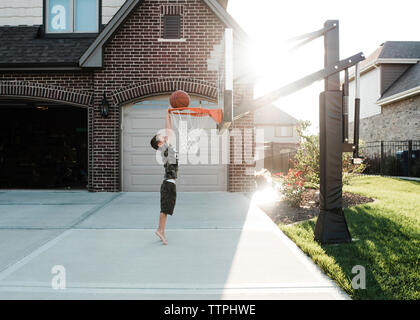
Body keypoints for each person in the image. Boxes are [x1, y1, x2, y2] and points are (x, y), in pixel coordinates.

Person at [150, 110, 178, 245]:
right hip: (168, 184)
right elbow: (169, 130)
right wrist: (167, 115)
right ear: (159, 144)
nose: (163, 136)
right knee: (165, 210)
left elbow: (169, 132)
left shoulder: (165, 148)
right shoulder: (165, 148)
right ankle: (159, 230)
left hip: (169, 184)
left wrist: (170, 116)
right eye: (160, 137)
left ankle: (162, 231)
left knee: (166, 210)